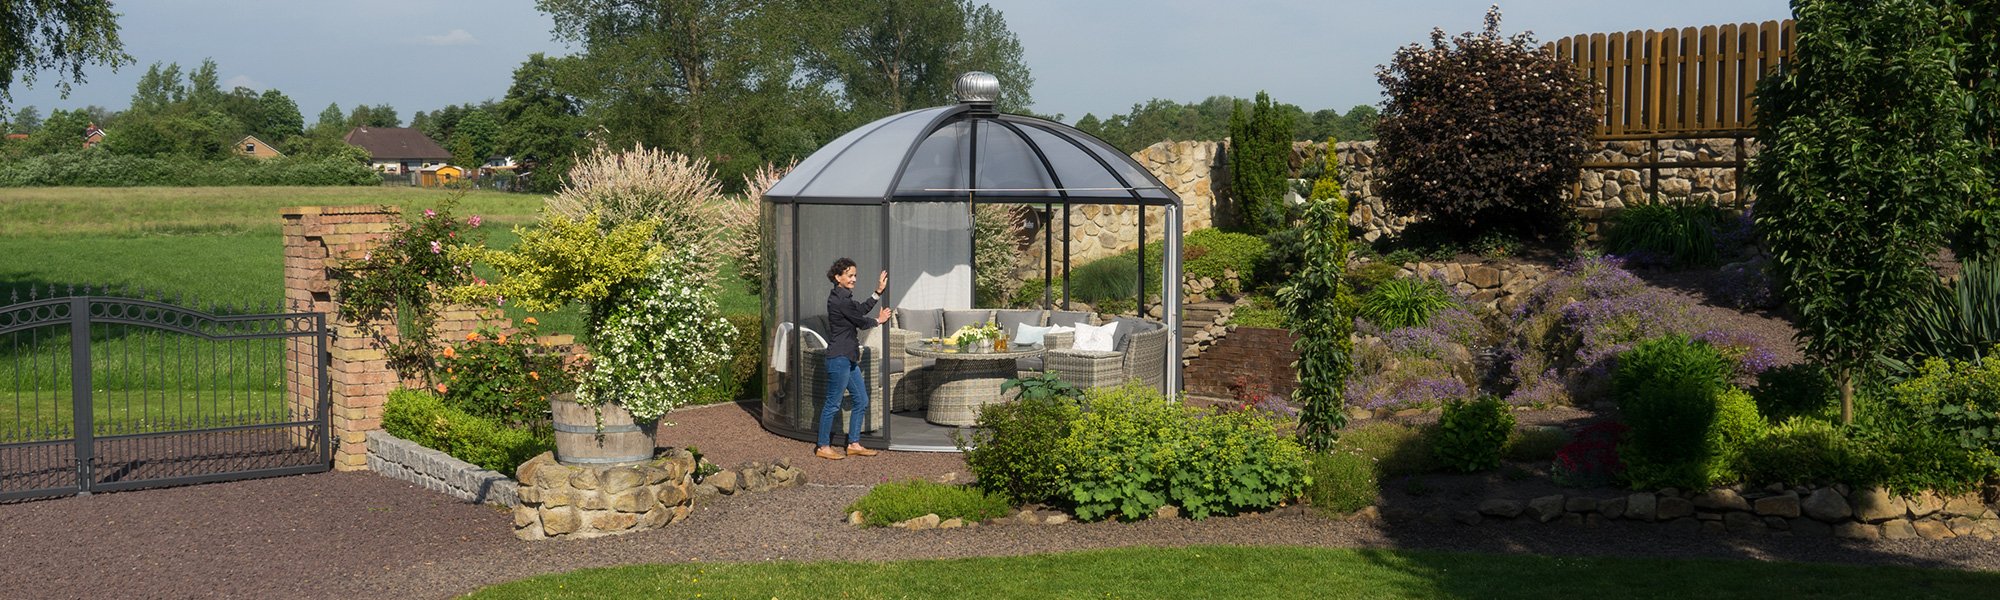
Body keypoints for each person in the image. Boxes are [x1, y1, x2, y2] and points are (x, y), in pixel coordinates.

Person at [817, 258, 891, 460]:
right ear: (837, 277)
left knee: (861, 400)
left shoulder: (845, 299)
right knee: (833, 403)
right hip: (839, 358)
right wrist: (879, 320)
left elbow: (859, 310)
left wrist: (877, 292)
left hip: (848, 358)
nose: (854, 279)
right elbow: (860, 321)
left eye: (855, 275)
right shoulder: (839, 300)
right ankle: (823, 446)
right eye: (850, 275)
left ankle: (854, 444)